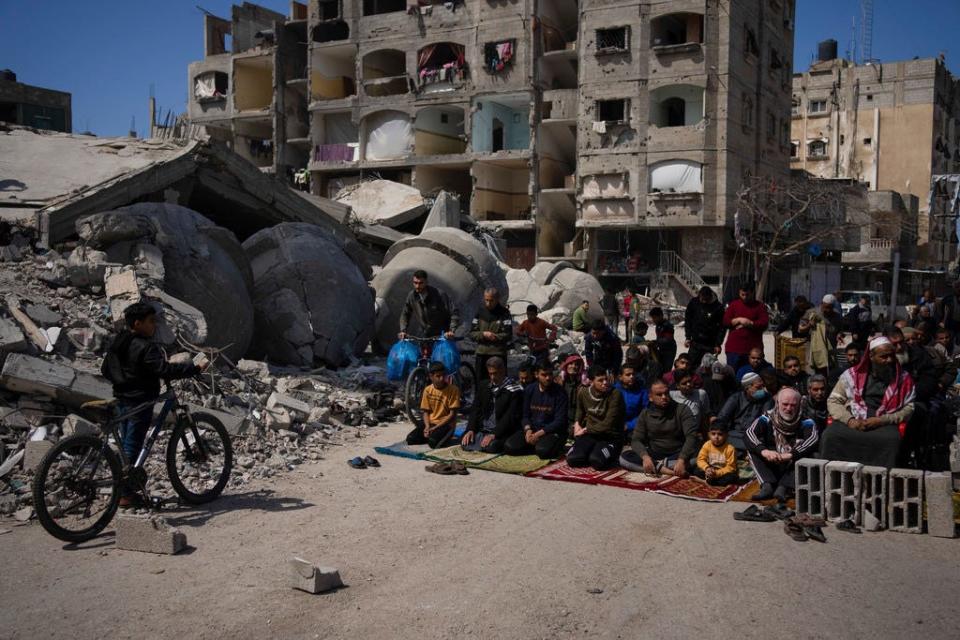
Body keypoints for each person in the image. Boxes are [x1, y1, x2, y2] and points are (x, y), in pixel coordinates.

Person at [102, 302, 207, 507]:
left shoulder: (120, 340)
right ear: (138, 323)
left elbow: (106, 369)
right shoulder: (145, 346)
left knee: (125, 446)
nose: (154, 326)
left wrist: (126, 380)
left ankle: (124, 488)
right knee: (133, 445)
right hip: (139, 401)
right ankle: (125, 494)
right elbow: (164, 370)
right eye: (151, 322)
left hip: (122, 397)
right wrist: (194, 369)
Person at [821, 337, 915, 468]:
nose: (889, 360)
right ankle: (836, 479)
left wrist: (882, 420)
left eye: (891, 356)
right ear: (871, 356)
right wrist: (850, 421)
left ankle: (880, 482)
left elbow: (909, 408)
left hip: (884, 421)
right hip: (854, 418)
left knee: (892, 441)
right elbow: (834, 401)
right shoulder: (851, 375)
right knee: (830, 436)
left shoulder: (903, 378)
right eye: (884, 356)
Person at [746, 388, 820, 502]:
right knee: (753, 450)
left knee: (811, 455)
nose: (788, 409)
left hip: (791, 465)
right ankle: (767, 486)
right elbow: (749, 434)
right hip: (772, 461)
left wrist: (791, 455)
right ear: (777, 403)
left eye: (793, 405)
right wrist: (764, 451)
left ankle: (785, 488)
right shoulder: (766, 417)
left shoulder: (807, 421)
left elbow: (813, 439)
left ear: (799, 405)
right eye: (785, 404)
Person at [619, 380, 699, 477]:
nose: (664, 397)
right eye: (659, 395)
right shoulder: (646, 413)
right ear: (651, 398)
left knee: (702, 454)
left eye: (666, 393)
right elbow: (636, 440)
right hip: (655, 453)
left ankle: (658, 466)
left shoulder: (682, 409)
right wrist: (645, 457)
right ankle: (667, 470)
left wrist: (682, 459)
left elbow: (691, 437)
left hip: (678, 453)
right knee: (624, 458)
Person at [504, 363, 568, 459]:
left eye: (550, 374)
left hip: (551, 431)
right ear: (536, 375)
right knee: (509, 447)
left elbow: (560, 421)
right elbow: (525, 415)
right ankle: (535, 445)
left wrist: (539, 433)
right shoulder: (530, 390)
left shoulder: (560, 393)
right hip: (533, 429)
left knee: (543, 451)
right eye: (544, 375)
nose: (548, 378)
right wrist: (528, 430)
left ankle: (545, 446)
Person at [567, 365, 626, 470]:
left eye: (606, 379)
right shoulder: (583, 393)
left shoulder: (615, 394)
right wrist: (577, 423)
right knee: (573, 459)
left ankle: (603, 451)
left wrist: (585, 430)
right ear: (591, 381)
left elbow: (608, 424)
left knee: (596, 460)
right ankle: (589, 449)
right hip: (591, 435)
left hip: (610, 436)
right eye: (600, 380)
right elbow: (580, 410)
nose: (605, 383)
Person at [462, 357, 523, 453]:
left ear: (503, 371)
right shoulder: (484, 386)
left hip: (501, 431)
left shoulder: (514, 390)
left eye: (495, 373)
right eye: (490, 374)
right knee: (465, 441)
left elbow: (510, 416)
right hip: (484, 429)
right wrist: (471, 429)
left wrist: (494, 433)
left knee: (492, 447)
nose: (493, 377)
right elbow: (475, 409)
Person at [714, 372, 773, 451]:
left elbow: (766, 419)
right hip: (735, 434)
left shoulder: (767, 398)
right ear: (747, 388)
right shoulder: (736, 398)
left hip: (755, 435)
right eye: (759, 387)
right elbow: (722, 418)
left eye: (763, 386)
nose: (763, 389)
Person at [407, 361, 460, 448]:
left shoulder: (453, 390)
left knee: (433, 443)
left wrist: (435, 428)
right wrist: (427, 427)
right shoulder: (428, 390)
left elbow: (452, 415)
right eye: (438, 376)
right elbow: (425, 412)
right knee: (410, 439)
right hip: (431, 423)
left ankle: (434, 436)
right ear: (431, 377)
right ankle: (431, 435)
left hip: (445, 425)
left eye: (443, 375)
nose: (442, 378)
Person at [398, 270, 458, 340]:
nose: (417, 286)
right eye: (415, 283)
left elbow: (454, 312)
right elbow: (405, 314)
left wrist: (451, 331)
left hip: (443, 335)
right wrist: (403, 330)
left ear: (426, 282)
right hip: (426, 334)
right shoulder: (412, 296)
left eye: (421, 283)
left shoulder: (439, 295)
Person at [722, 282, 769, 369]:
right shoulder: (734, 305)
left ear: (752, 293)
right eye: (742, 294)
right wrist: (738, 320)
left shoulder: (760, 306)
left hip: (753, 350)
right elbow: (725, 321)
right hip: (734, 349)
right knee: (733, 375)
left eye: (747, 294)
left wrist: (750, 323)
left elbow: (764, 323)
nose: (744, 297)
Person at [470, 288, 512, 381]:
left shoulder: (504, 313)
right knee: (480, 382)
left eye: (491, 301)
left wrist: (495, 337)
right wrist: (483, 334)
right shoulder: (480, 312)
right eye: (486, 300)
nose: (488, 303)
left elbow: (508, 334)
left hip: (498, 353)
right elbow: (472, 333)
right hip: (481, 353)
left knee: (499, 381)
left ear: (497, 299)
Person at [799, 294, 844, 376]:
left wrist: (839, 335)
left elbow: (840, 330)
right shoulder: (812, 313)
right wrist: (809, 325)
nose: (828, 310)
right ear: (822, 304)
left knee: (829, 373)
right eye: (826, 307)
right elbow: (800, 329)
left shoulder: (836, 316)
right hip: (813, 349)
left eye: (830, 307)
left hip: (829, 349)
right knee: (813, 373)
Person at [684, 286, 725, 368]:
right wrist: (688, 337)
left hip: (710, 344)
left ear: (710, 297)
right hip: (695, 343)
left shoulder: (718, 307)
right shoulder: (694, 303)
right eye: (701, 299)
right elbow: (688, 320)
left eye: (706, 300)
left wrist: (718, 344)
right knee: (690, 366)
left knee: (707, 368)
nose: (703, 302)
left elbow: (722, 328)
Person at [614, 363, 648, 433]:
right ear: (620, 377)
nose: (632, 377)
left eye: (633, 374)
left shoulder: (642, 391)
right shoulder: (614, 390)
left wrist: (629, 425)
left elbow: (645, 412)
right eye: (628, 375)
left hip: (634, 427)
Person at [559, 354, 589, 430]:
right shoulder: (560, 382)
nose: (573, 366)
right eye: (571, 364)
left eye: (576, 365)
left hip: (578, 420)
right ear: (566, 365)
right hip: (563, 418)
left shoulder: (584, 385)